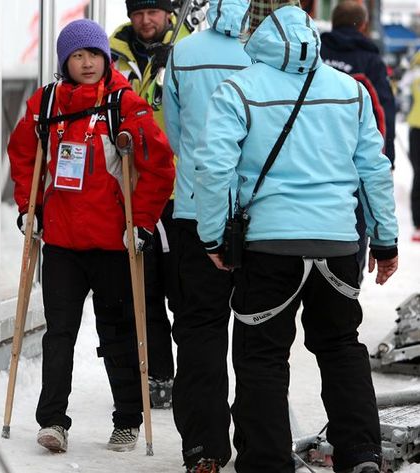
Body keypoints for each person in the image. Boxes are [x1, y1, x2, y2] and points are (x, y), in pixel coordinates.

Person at [192, 1, 399, 472]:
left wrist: (212, 238)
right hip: (338, 244)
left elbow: (213, 169)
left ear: (260, 39)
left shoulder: (238, 89)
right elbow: (374, 169)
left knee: (262, 356)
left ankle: (266, 463)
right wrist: (385, 242)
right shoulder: (351, 92)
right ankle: (362, 453)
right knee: (342, 347)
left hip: (269, 247)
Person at [8, 19, 174, 453]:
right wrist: (29, 207)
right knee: (58, 333)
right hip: (62, 241)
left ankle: (127, 420)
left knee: (118, 333)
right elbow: (24, 154)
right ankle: (53, 422)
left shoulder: (126, 105)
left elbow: (159, 167)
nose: (87, 63)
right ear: (65, 61)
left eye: (94, 55)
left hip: (112, 244)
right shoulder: (45, 104)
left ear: (106, 57)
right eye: (78, 56)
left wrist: (140, 223)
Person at [161, 0, 251, 470]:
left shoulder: (183, 52)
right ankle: (257, 442)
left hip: (195, 208)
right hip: (257, 215)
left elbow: (174, 133)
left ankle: (203, 447)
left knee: (199, 329)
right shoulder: (264, 55)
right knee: (258, 335)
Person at [110, 0, 193, 408]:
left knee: (184, 291)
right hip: (135, 190)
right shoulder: (111, 54)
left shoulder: (189, 48)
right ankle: (159, 372)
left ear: (168, 13)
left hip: (180, 192)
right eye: (138, 12)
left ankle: (192, 372)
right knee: (144, 289)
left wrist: (175, 66)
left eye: (153, 12)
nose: (145, 21)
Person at [320, 0, 397, 277]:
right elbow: (384, 112)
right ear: (363, 26)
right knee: (353, 227)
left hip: (309, 154)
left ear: (333, 23)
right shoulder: (370, 62)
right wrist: (386, 159)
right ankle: (347, 277)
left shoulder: (314, 52)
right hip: (354, 162)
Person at [398, 51, 420, 242]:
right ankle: (418, 224)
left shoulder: (414, 71)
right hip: (416, 127)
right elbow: (400, 88)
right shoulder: (415, 71)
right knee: (419, 175)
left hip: (415, 128)